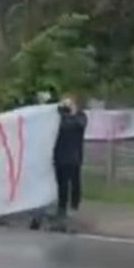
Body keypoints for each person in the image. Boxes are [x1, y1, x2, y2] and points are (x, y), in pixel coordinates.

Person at [52, 97, 88, 227]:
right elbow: (59, 127)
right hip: (60, 155)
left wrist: (72, 113)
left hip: (74, 156)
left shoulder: (80, 117)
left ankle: (74, 205)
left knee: (74, 182)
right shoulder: (59, 118)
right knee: (62, 184)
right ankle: (62, 207)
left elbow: (79, 125)